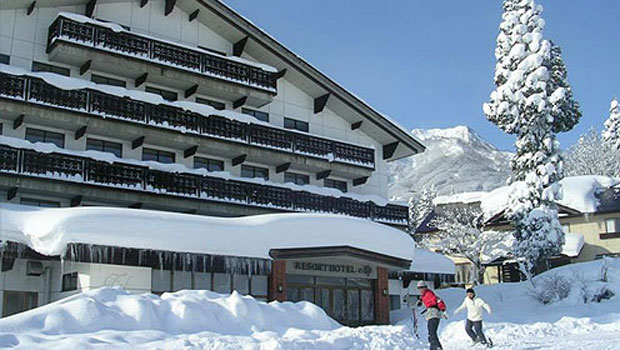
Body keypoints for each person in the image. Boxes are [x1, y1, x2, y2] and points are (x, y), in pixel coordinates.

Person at [416, 281, 444, 350]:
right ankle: (433, 347)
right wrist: (420, 301)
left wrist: (443, 309)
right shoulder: (424, 295)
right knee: (430, 333)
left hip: (434, 313)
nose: (420, 290)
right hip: (430, 313)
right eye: (419, 288)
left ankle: (437, 347)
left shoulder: (429, 293)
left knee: (432, 332)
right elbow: (422, 298)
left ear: (425, 287)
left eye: (422, 288)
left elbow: (438, 300)